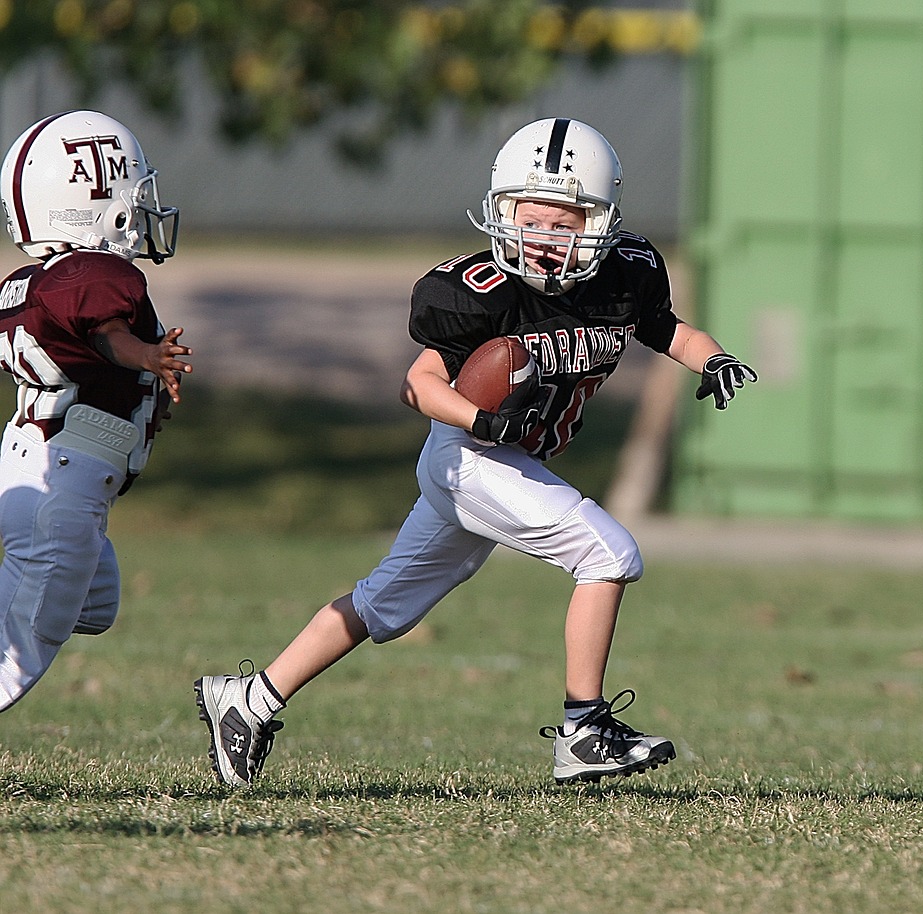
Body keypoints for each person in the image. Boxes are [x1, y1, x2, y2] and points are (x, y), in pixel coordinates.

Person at [195, 117, 755, 787]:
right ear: (502, 211)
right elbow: (418, 384)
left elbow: (667, 329)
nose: (544, 239)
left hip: (496, 462)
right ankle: (583, 730)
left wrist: (710, 358)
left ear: (600, 224)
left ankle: (248, 700)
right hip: (468, 456)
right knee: (608, 553)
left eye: (564, 222)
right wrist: (483, 418)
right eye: (530, 217)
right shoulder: (478, 292)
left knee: (383, 607)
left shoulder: (625, 275)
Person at [0, 110, 190, 712]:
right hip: (66, 476)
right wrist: (149, 356)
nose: (144, 208)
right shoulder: (92, 274)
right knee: (23, 640)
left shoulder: (44, 280)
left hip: (43, 465)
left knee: (94, 599)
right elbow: (106, 333)